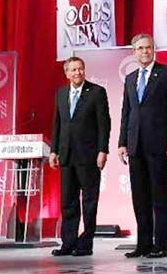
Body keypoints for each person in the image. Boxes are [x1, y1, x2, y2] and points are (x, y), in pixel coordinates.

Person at [118, 34, 167, 259]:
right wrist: (121, 143)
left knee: (159, 195)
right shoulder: (130, 78)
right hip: (135, 145)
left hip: (159, 144)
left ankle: (161, 244)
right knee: (140, 197)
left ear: (154, 50)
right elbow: (126, 112)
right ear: (134, 52)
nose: (145, 52)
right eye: (140, 48)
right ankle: (143, 244)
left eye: (148, 48)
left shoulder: (166, 73)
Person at [50, 56, 111, 257]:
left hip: (89, 156)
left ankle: (85, 244)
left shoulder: (96, 92)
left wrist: (103, 150)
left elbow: (104, 124)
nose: (78, 73)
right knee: (68, 202)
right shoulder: (60, 93)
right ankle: (68, 243)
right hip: (66, 155)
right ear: (67, 73)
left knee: (89, 201)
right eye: (74, 70)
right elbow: (57, 124)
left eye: (81, 69)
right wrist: (54, 151)